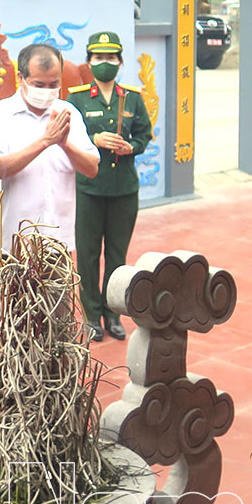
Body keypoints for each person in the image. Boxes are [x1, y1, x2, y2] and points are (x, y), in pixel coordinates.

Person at [66, 32, 152, 342]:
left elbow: (144, 134)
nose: (105, 63)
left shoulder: (132, 97)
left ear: (120, 61)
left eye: (111, 58)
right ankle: (91, 315)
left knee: (117, 255)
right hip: (89, 188)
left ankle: (113, 314)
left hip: (123, 190)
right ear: (89, 62)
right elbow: (67, 136)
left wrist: (132, 147)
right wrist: (95, 139)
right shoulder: (76, 98)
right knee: (88, 256)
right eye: (99, 57)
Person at [0, 43, 100, 253]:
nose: (47, 91)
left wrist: (65, 144)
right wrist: (45, 141)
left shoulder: (68, 113)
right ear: (20, 78)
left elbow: (91, 169)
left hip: (58, 242)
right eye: (39, 84)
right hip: (12, 243)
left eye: (54, 84)